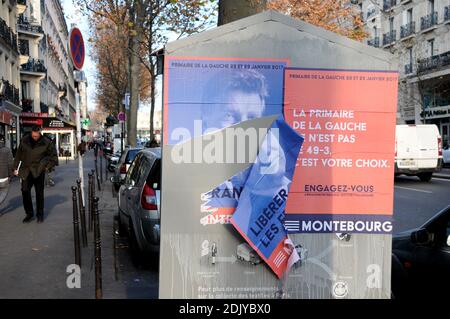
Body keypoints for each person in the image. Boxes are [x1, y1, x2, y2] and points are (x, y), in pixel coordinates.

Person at [13, 126, 58, 223]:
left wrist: (47, 167)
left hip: (39, 170)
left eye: (37, 136)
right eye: (33, 136)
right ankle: (29, 213)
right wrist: (15, 167)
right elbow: (18, 155)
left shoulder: (46, 142)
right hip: (26, 170)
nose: (35, 137)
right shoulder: (24, 140)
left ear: (40, 133)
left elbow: (53, 156)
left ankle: (40, 214)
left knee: (39, 193)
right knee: (25, 191)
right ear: (31, 133)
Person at [0, 134, 14, 205]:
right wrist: (11, 176)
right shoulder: (7, 150)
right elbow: (10, 164)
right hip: (4, 177)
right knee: (3, 192)